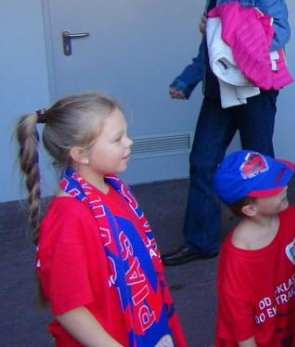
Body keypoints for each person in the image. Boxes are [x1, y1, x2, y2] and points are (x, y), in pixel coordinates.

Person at [165, 0, 291, 266]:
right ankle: (201, 241)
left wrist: (228, 28)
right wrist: (188, 80)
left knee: (260, 163)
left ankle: (272, 239)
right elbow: (211, 48)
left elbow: (280, 34)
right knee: (202, 161)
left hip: (254, 92)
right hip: (219, 90)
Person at [15, 93, 186, 346]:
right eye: (117, 139)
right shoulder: (67, 219)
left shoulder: (113, 190)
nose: (129, 142)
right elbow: (70, 308)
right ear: (80, 154)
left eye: (126, 134)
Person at [214, 150, 295, 347]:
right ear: (250, 209)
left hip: (291, 330)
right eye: (273, 186)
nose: (284, 186)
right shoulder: (236, 260)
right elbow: (241, 326)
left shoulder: (293, 217)